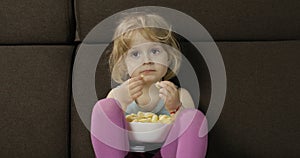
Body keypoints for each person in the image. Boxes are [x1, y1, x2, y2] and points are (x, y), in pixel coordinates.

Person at [91, 12, 207, 158]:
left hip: (166, 154)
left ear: (169, 57)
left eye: (154, 51)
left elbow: (187, 136)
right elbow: (109, 131)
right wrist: (121, 102)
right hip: (128, 154)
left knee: (193, 117)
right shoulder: (117, 94)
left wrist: (176, 108)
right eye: (135, 54)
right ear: (124, 64)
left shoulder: (180, 95)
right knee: (104, 107)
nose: (147, 60)